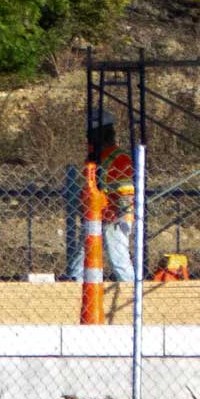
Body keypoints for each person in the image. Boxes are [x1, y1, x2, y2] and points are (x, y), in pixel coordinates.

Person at [67, 115, 135, 283]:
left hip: (113, 216)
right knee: (84, 254)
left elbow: (126, 192)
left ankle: (129, 290)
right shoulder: (97, 159)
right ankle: (76, 283)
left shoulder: (119, 158)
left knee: (118, 256)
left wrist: (120, 212)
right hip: (97, 214)